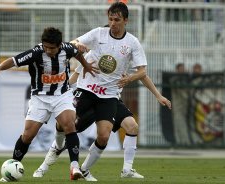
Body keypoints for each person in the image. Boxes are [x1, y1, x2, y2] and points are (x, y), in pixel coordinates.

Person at [33, 2, 153, 181]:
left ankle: (85, 170)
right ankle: (45, 164)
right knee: (66, 125)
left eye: (117, 20)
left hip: (109, 97)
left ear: (126, 21)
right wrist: (78, 45)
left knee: (104, 136)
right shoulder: (98, 34)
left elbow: (142, 71)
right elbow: (74, 43)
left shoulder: (132, 43)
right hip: (87, 90)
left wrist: (130, 79)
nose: (113, 23)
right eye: (110, 19)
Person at [0, 27, 98, 182]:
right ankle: (13, 166)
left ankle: (74, 167)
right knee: (28, 135)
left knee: (69, 125)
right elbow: (14, 60)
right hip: (40, 97)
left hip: (62, 95)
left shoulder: (67, 48)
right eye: (46, 46)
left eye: (51, 48)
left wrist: (85, 65)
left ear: (59, 45)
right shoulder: (36, 52)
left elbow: (78, 54)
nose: (48, 50)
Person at [33, 60, 172, 181]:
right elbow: (76, 75)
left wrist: (159, 96)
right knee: (68, 129)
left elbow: (143, 74)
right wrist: (58, 90)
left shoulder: (125, 56)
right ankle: (43, 166)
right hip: (88, 96)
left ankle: (119, 170)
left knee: (131, 127)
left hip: (111, 100)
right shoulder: (94, 54)